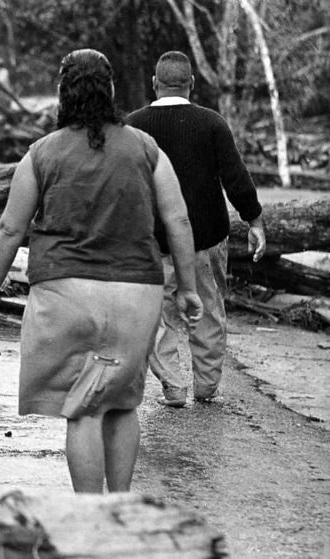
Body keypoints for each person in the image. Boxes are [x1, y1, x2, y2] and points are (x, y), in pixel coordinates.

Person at [0, 49, 203, 493]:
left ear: (63, 93)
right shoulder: (145, 148)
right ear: (111, 90)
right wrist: (188, 288)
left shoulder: (42, 153)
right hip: (136, 294)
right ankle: (117, 509)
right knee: (121, 403)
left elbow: (10, 227)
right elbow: (178, 219)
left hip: (65, 295)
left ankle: (89, 518)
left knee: (83, 407)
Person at [126, 51, 266, 407]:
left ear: (154, 83)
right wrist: (254, 220)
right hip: (205, 237)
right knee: (207, 309)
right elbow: (236, 178)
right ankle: (206, 386)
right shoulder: (211, 123)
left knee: (159, 316)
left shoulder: (134, 127)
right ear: (192, 84)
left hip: (153, 241)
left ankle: (173, 385)